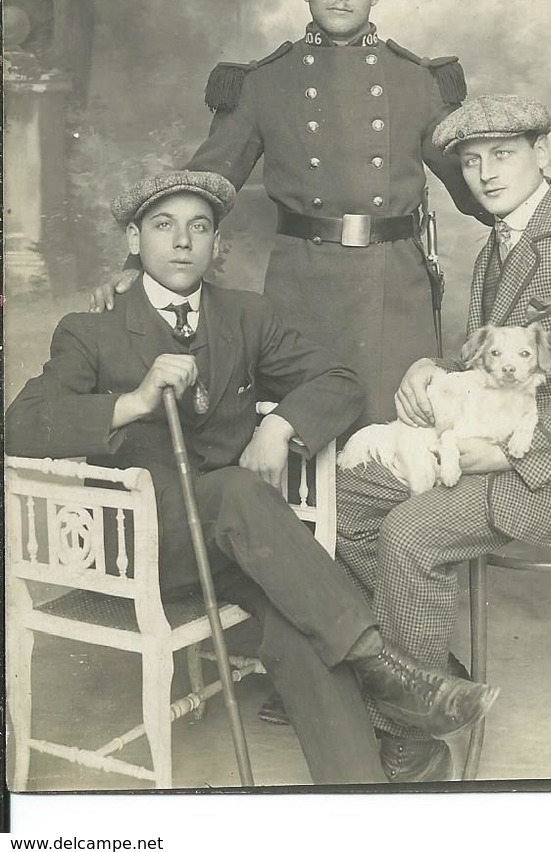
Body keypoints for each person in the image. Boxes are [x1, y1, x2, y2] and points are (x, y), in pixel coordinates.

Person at [5, 169, 499, 787]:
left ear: (217, 246)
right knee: (242, 491)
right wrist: (132, 401)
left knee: (300, 624)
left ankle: (362, 794)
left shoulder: (245, 316)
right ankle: (386, 669)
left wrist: (282, 426)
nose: (183, 241)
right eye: (164, 225)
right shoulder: (92, 329)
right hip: (142, 548)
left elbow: (339, 381)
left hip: (242, 544)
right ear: (134, 240)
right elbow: (21, 424)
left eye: (200, 227)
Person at [91, 0, 551, 429]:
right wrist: (137, 265)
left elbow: (478, 189)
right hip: (301, 284)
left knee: (403, 434)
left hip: (393, 285)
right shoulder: (264, 83)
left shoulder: (416, 80)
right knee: (298, 433)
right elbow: (202, 186)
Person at [335, 94, 551, 783]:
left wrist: (511, 452)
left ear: (543, 154)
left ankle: (411, 744)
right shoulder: (492, 251)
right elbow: (488, 363)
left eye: (502, 154)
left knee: (409, 532)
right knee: (345, 502)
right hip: (490, 443)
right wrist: (430, 368)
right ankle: (422, 672)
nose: (483, 173)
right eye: (470, 162)